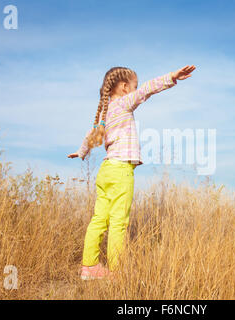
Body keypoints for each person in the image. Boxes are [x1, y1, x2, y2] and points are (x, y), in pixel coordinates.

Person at [68, 65, 196, 280]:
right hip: (121, 170)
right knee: (119, 221)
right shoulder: (123, 103)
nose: (136, 89)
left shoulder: (104, 113)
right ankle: (117, 271)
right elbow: (147, 89)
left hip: (106, 171)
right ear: (125, 87)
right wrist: (172, 77)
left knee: (99, 219)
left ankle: (89, 267)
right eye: (133, 86)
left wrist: (81, 152)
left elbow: (90, 137)